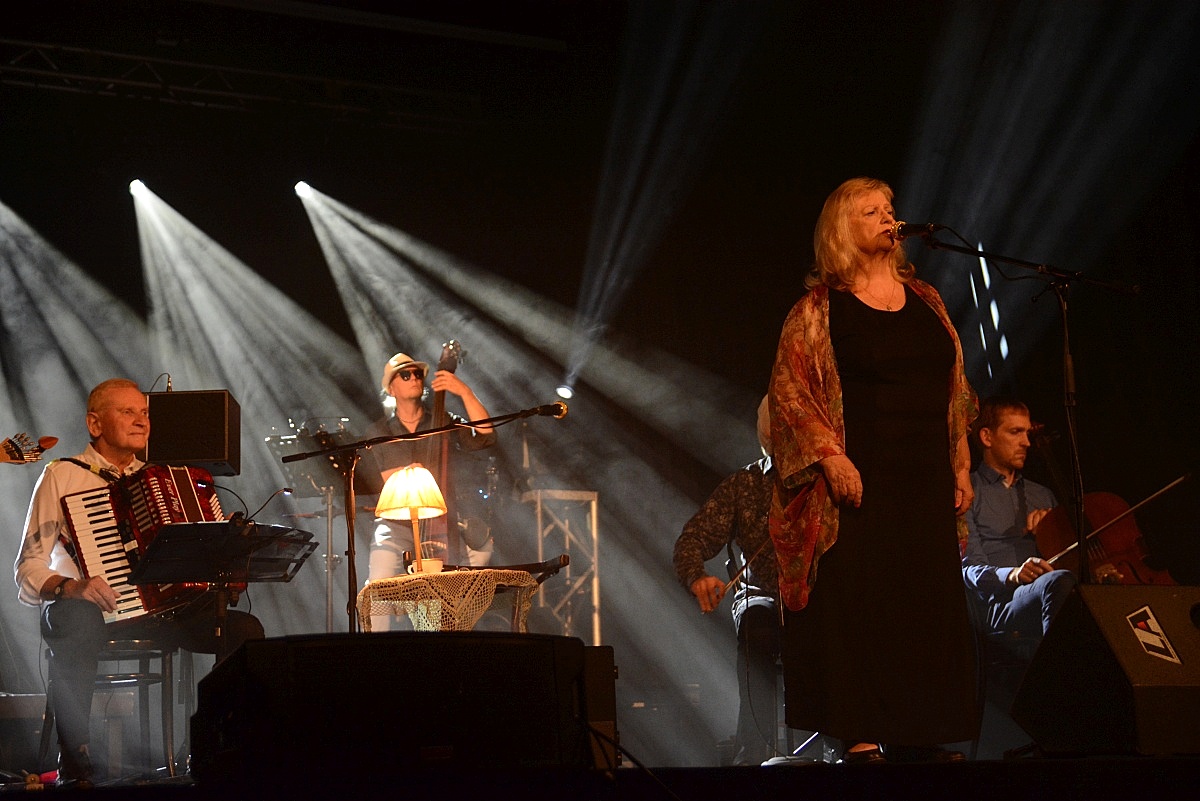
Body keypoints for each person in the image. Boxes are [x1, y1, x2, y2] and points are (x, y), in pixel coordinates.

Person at [768, 176, 978, 764]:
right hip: (859, 480)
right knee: (861, 603)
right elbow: (789, 393)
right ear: (842, 228)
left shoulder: (927, 299)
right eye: (872, 211)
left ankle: (919, 732)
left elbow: (955, 388)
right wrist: (831, 457)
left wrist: (962, 463)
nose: (889, 218)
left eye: (890, 209)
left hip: (925, 477)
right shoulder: (817, 311)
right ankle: (860, 733)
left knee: (924, 602)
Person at [13, 378, 264, 788]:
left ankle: (216, 750)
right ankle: (75, 759)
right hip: (88, 613)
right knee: (76, 619)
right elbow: (27, 568)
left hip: (161, 613)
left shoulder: (163, 478)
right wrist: (71, 587)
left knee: (243, 630)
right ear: (95, 424)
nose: (141, 420)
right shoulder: (62, 476)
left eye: (144, 412)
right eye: (127, 411)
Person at [673, 397, 781, 766]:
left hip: (814, 600)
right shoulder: (745, 484)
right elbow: (692, 539)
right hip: (761, 596)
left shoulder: (820, 482)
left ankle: (853, 741)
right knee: (756, 628)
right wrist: (697, 576)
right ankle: (754, 748)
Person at [359, 352, 497, 630]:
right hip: (397, 522)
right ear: (391, 388)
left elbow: (485, 436)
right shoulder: (379, 431)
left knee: (480, 551)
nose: (414, 378)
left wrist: (464, 392)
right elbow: (388, 482)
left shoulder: (443, 420)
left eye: (418, 374)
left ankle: (446, 628)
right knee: (378, 580)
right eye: (405, 375)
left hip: (440, 521)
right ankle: (376, 645)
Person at [963, 397, 1077, 639]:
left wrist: (1053, 529)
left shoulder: (1042, 494)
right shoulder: (969, 491)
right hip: (999, 603)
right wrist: (1013, 574)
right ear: (987, 437)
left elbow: (1068, 560)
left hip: (1046, 589)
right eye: (1015, 432)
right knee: (1058, 582)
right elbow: (969, 569)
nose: (1026, 442)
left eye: (1027, 433)